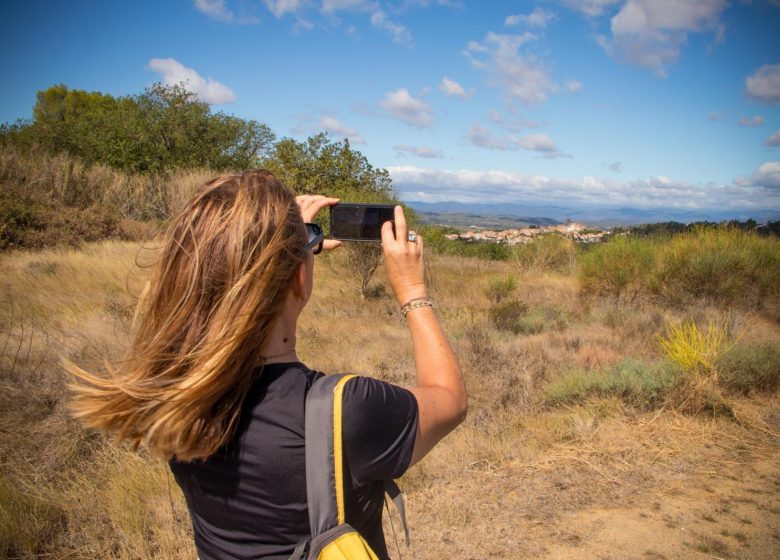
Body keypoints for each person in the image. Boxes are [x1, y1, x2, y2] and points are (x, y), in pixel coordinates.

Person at [67, 169, 467, 559]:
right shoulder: (346, 411)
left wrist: (282, 242)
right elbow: (449, 399)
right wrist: (413, 291)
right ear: (297, 278)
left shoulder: (169, 392)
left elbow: (220, 274)